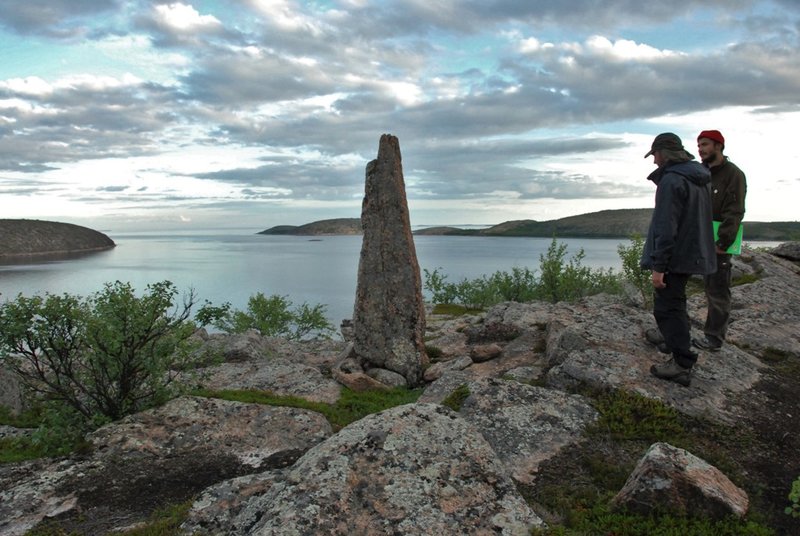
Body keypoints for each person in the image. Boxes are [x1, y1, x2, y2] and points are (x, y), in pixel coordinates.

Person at [640, 133, 717, 387]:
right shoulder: (698, 176)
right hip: (690, 253)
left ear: (664, 153)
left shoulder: (672, 180)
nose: (654, 162)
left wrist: (659, 266)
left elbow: (666, 226)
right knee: (676, 302)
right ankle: (669, 338)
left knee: (667, 307)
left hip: (674, 256)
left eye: (655, 156)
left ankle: (681, 363)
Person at [692, 130, 747, 352]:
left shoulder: (734, 175)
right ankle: (674, 330)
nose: (701, 149)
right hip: (695, 237)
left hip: (717, 242)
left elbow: (734, 211)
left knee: (717, 290)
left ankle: (714, 338)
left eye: (705, 144)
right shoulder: (699, 172)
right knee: (675, 281)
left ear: (718, 146)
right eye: (699, 145)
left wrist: (723, 242)